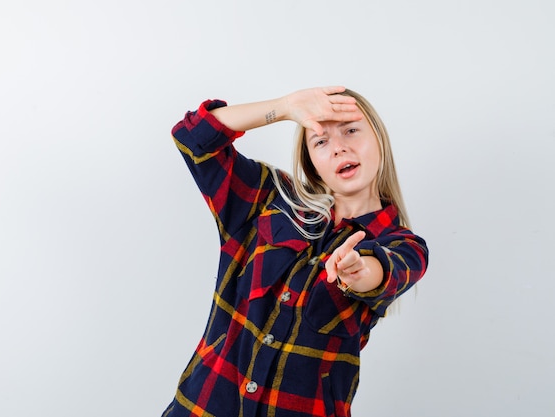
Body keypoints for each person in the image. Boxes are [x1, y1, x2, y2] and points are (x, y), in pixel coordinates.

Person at [162, 86, 429, 417]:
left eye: (351, 130)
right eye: (320, 140)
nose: (339, 147)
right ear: (312, 161)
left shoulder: (402, 244)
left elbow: (386, 271)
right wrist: (285, 107)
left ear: (379, 140)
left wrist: (359, 270)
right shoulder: (268, 198)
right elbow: (194, 138)